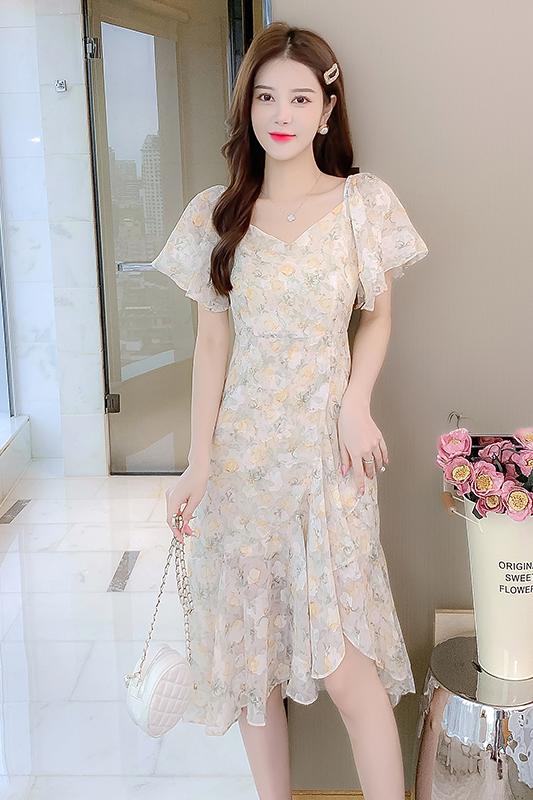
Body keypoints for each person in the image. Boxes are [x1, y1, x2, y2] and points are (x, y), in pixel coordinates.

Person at [152, 20, 429, 800]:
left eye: (300, 98)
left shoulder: (361, 204)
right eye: (265, 97)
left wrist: (355, 403)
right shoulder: (217, 214)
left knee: (347, 671)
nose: (281, 113)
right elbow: (212, 344)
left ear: (327, 108)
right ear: (246, 108)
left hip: (327, 462)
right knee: (255, 669)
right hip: (242, 467)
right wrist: (198, 462)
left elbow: (377, 316)